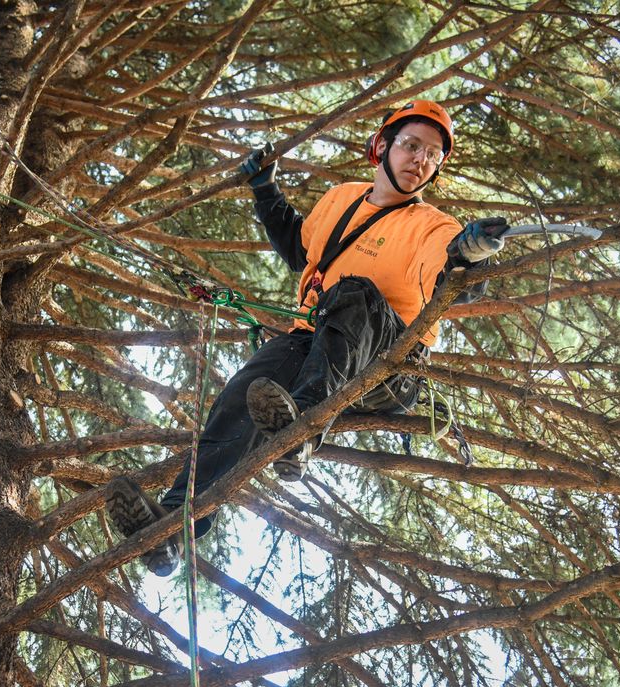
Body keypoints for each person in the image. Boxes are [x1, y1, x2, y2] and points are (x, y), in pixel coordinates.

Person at [106, 99, 507, 576]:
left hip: (389, 365)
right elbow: (301, 248)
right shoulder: (341, 199)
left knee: (353, 293)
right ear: (381, 146)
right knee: (243, 393)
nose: (420, 159)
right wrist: (264, 188)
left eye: (433, 155)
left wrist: (472, 256)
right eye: (411, 145)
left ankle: (301, 430)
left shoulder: (431, 226)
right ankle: (173, 525)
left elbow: (453, 278)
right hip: (316, 345)